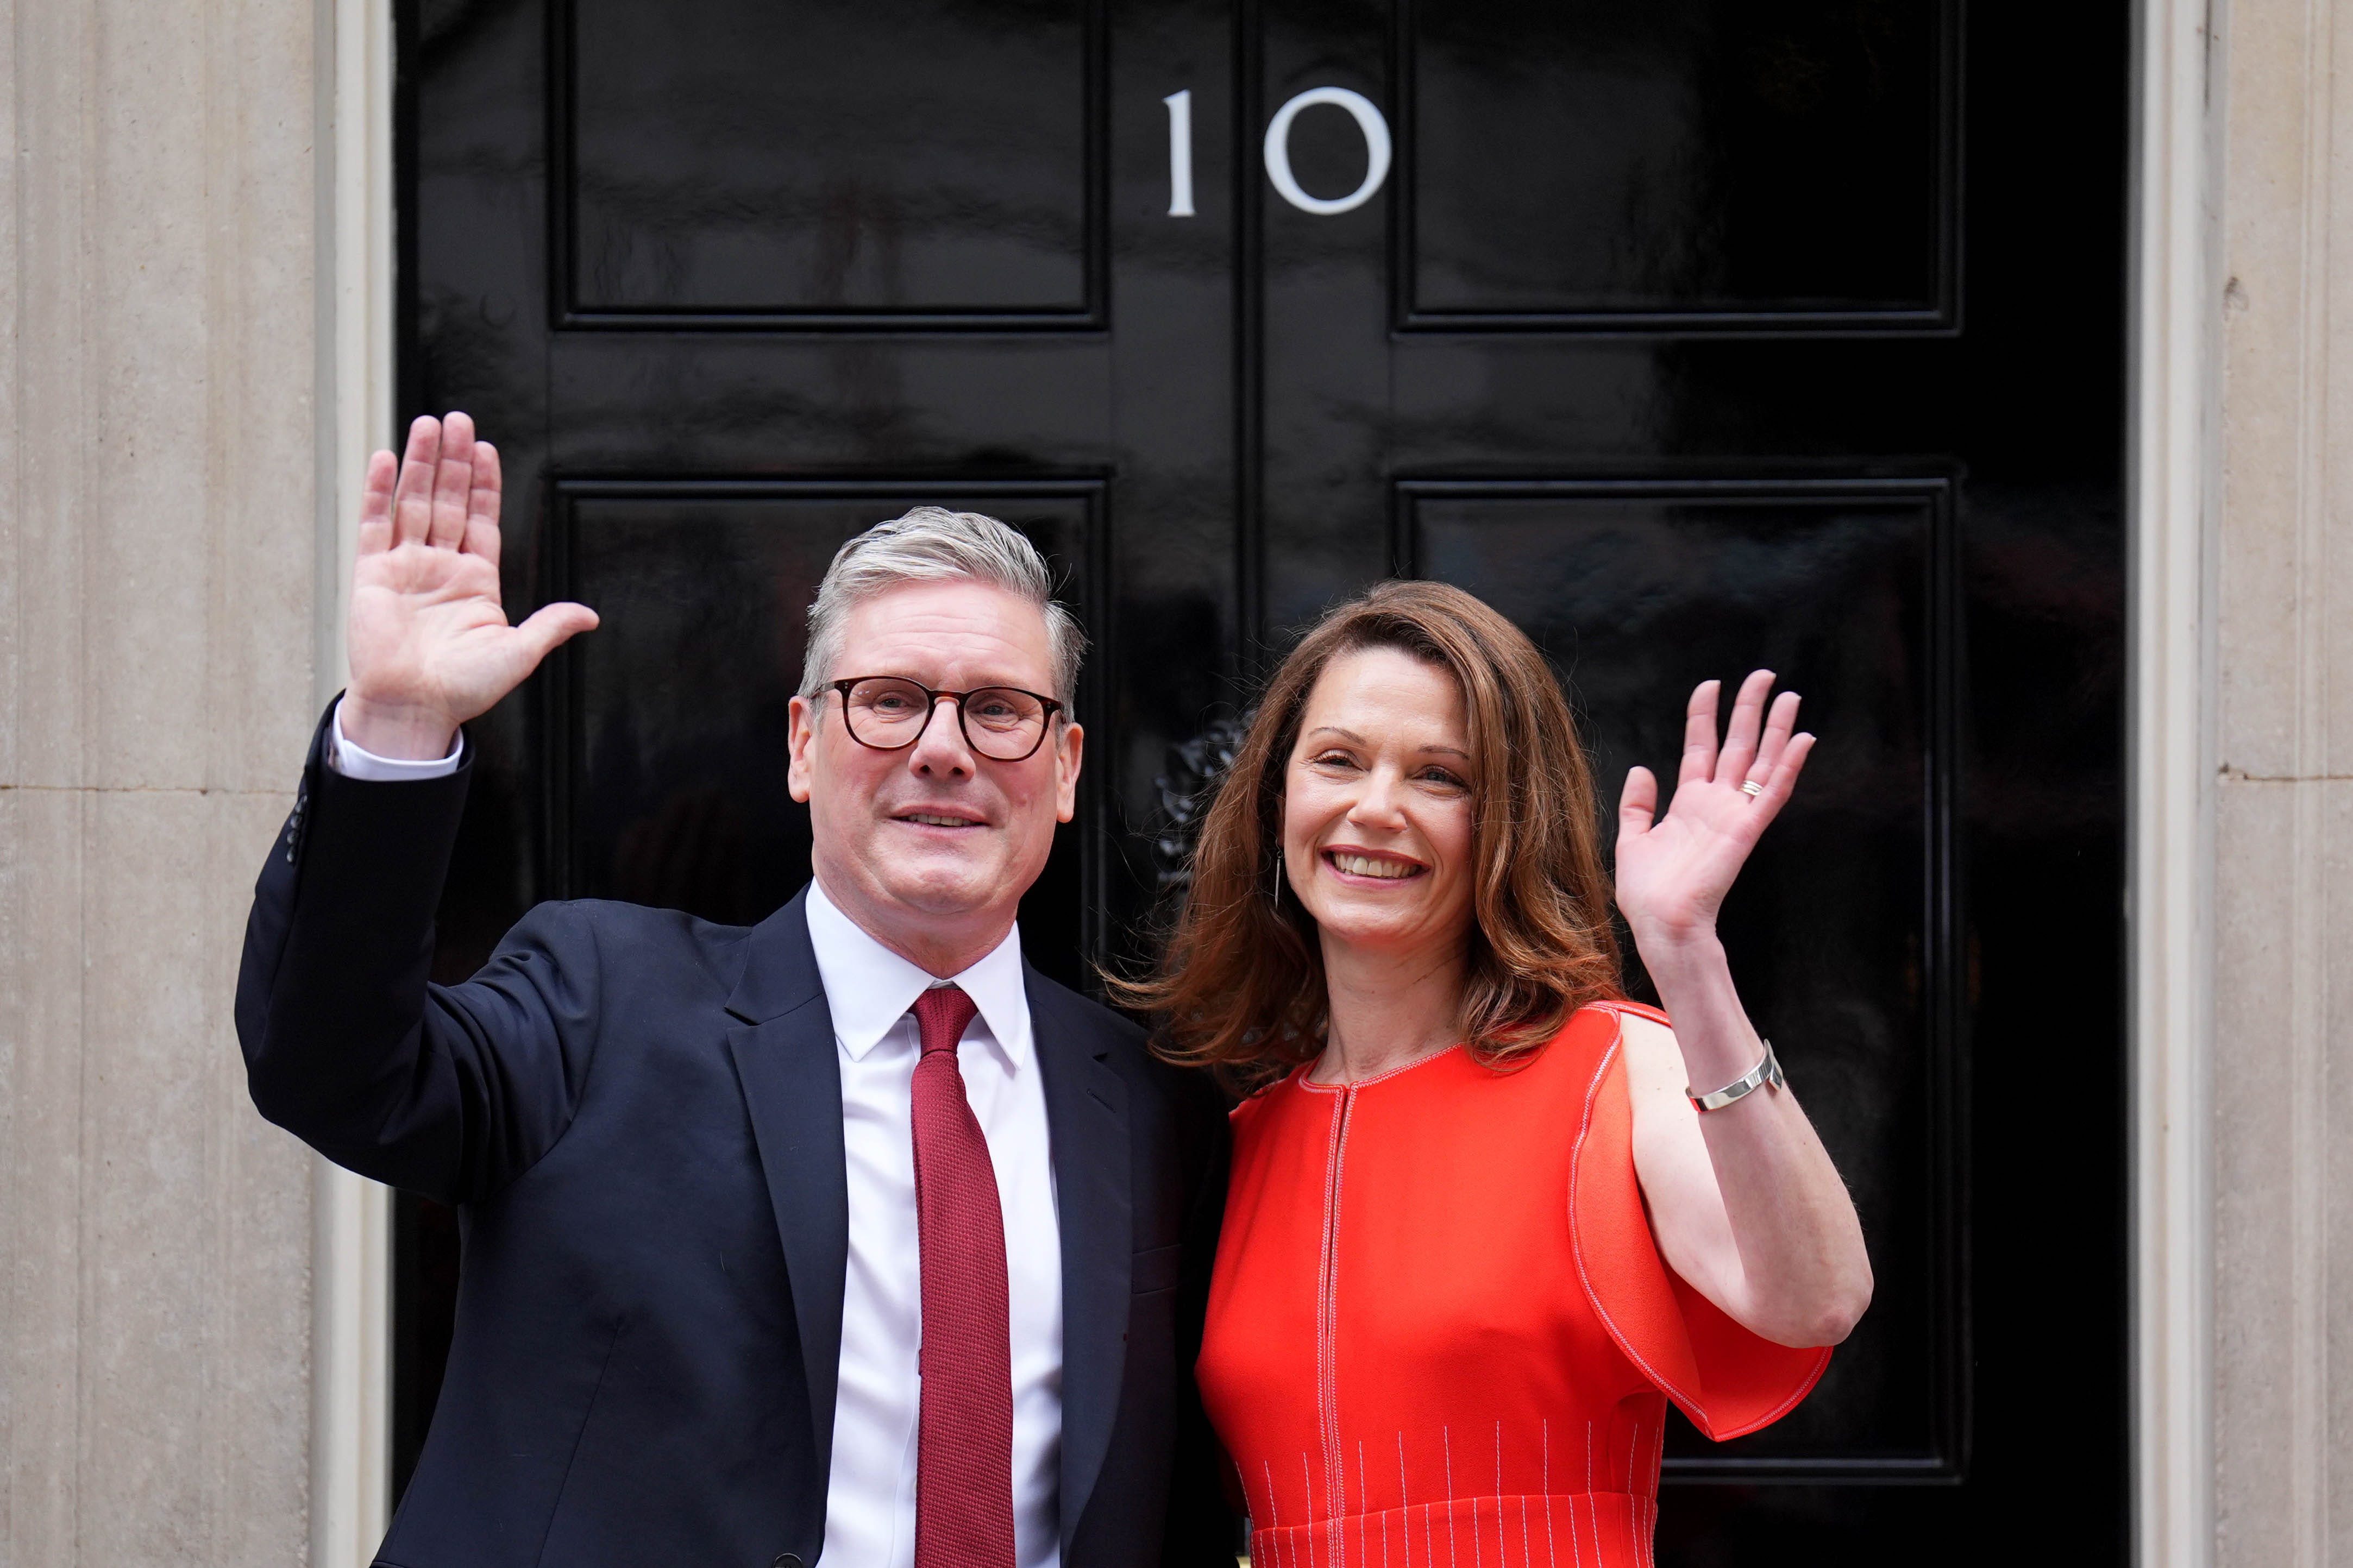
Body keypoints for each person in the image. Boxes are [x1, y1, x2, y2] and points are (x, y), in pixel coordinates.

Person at [236, 413, 1234, 1568]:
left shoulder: (1154, 1107)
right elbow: (329, 1066)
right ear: (805, 746)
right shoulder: (601, 1001)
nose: (944, 749)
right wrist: (401, 727)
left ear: (1062, 770)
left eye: (998, 708)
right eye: (891, 698)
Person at [1123, 581, 1873, 1566]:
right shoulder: (1240, 1141)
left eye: (1440, 777)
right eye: (1339, 761)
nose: (1376, 809)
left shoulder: (1613, 1067)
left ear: (1507, 819)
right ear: (1277, 800)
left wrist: (1685, 950)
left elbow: (1813, 1300)